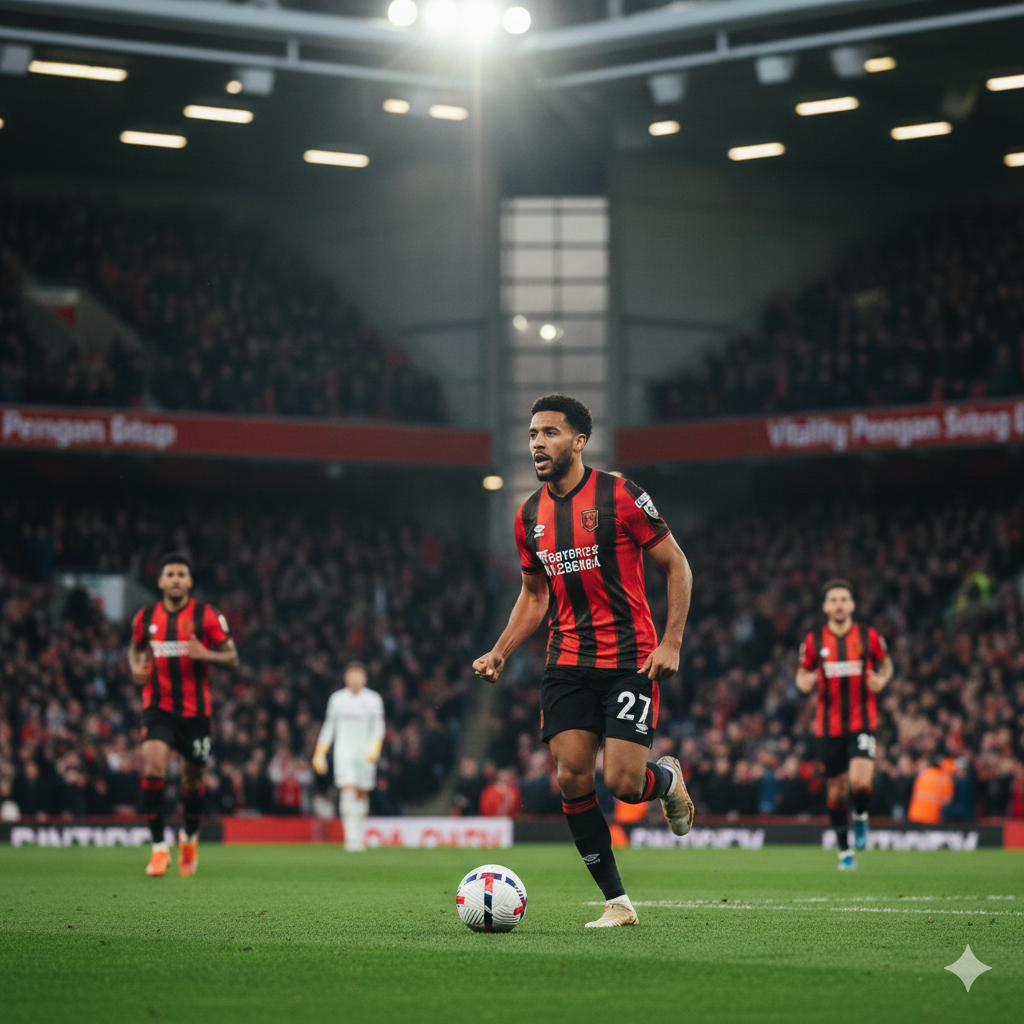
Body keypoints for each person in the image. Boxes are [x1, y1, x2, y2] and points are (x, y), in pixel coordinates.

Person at [473, 393, 694, 928]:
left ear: (578, 440)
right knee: (572, 778)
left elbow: (678, 567)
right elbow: (534, 596)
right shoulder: (530, 515)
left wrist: (671, 643)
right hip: (567, 660)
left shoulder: (621, 495)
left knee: (622, 783)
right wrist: (500, 651)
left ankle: (665, 782)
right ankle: (617, 902)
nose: (537, 444)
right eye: (531, 435)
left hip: (629, 659)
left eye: (549, 433)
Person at [129, 553, 239, 877]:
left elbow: (232, 656)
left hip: (195, 714)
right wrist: (135, 666)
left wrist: (205, 653)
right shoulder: (145, 616)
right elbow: (135, 647)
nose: (176, 579)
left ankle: (189, 839)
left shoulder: (206, 615)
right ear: (160, 581)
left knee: (193, 784)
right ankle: (159, 849)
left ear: (189, 582)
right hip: (158, 708)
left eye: (181, 574)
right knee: (153, 765)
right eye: (170, 574)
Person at [796, 579, 893, 870]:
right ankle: (844, 852)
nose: (839, 604)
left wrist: (882, 679)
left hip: (863, 721)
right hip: (829, 728)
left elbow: (886, 664)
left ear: (852, 605)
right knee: (837, 791)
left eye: (844, 599)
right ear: (826, 606)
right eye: (833, 599)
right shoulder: (814, 640)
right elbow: (802, 674)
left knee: (860, 783)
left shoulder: (868, 636)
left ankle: (861, 815)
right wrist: (805, 682)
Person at [312, 662, 385, 852]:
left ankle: (358, 836)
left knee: (361, 794)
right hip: (344, 751)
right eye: (351, 675)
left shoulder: (373, 699)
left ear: (364, 678)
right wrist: (320, 751)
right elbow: (329, 726)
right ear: (346, 678)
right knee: (347, 790)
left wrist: (375, 747)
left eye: (358, 675)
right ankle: (350, 839)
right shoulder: (337, 699)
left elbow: (378, 726)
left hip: (365, 752)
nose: (355, 679)